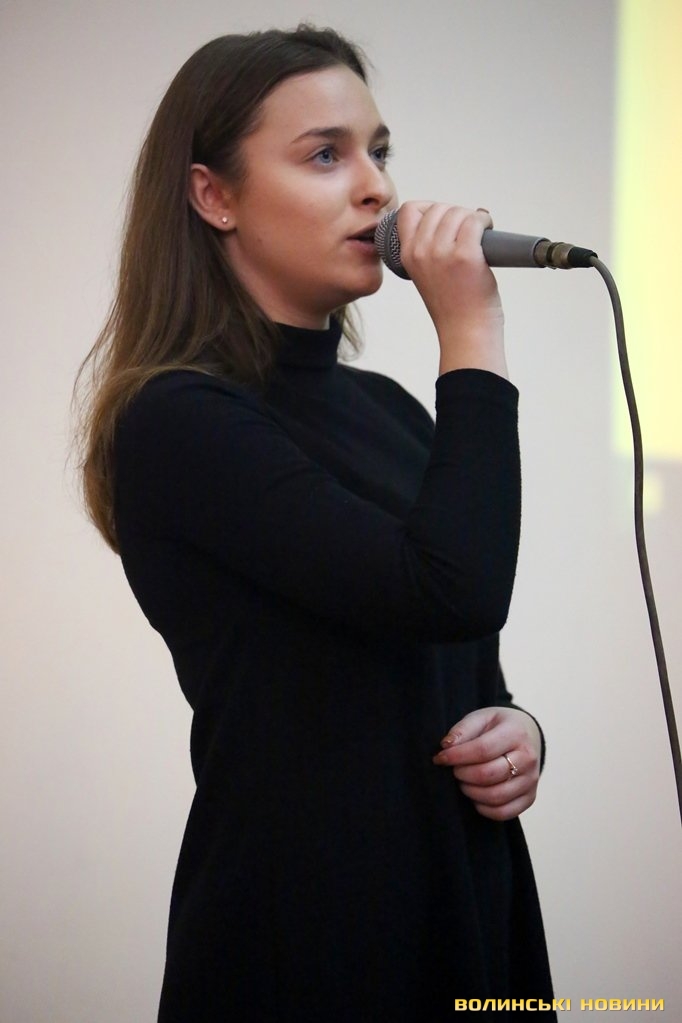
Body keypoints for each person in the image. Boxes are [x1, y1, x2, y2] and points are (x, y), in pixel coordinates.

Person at [75, 25, 555, 1022]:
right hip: (308, 937)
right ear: (214, 196)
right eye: (326, 155)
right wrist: (472, 328)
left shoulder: (391, 412)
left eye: (378, 151)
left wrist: (519, 733)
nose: (377, 188)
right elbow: (449, 588)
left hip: (464, 902)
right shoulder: (179, 420)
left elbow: (459, 653)